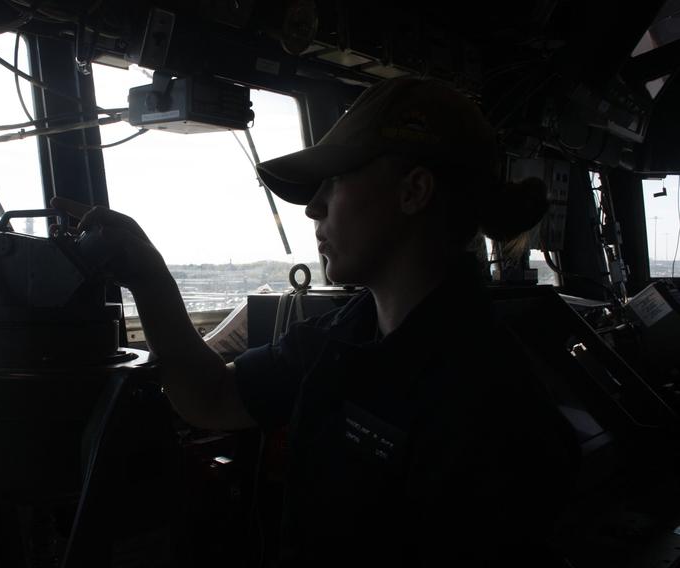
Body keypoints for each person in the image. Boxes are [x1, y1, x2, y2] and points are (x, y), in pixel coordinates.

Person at [52, 76, 578, 567]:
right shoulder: (347, 332)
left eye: (338, 178)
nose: (314, 207)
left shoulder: (496, 407)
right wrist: (146, 274)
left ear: (413, 191)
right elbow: (212, 397)